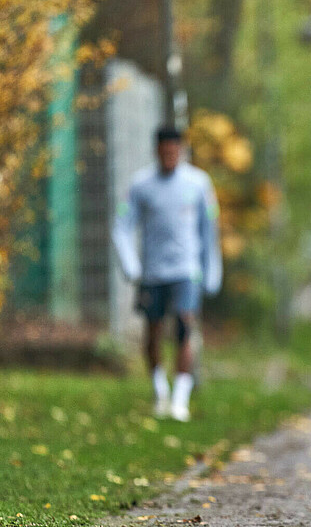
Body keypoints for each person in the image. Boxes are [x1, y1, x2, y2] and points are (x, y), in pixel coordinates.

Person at [112, 125, 222, 423]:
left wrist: (212, 269)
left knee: (185, 326)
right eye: (164, 153)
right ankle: (160, 390)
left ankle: (180, 400)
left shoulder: (198, 183)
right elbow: (122, 226)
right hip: (152, 273)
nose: (169, 158)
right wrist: (130, 264)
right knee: (153, 331)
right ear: (157, 152)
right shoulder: (141, 185)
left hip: (186, 270)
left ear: (181, 150)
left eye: (174, 152)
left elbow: (209, 230)